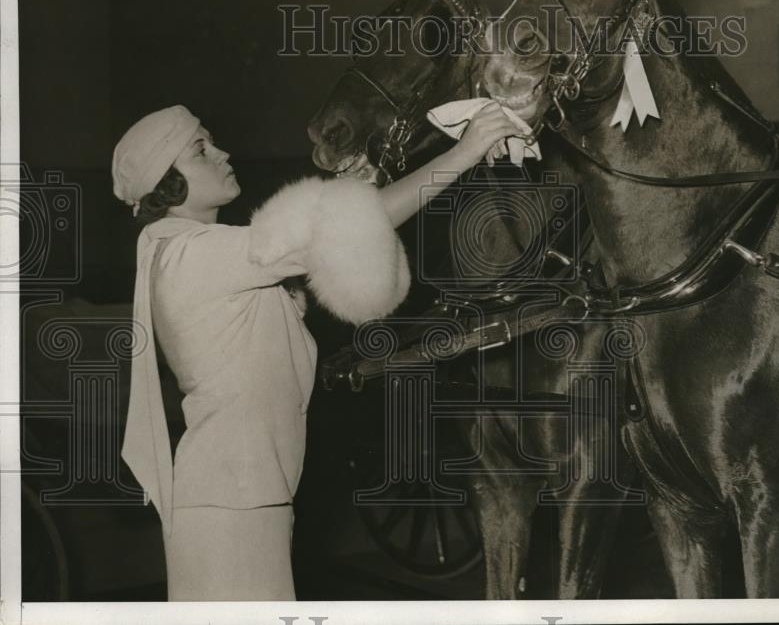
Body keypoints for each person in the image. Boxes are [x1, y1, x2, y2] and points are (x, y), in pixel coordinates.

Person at [111, 102, 524, 601]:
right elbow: (349, 231)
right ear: (167, 182)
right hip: (230, 496)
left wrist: (359, 188)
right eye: (201, 149)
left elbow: (341, 231)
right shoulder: (190, 254)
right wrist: (468, 150)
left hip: (242, 492)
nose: (222, 153)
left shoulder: (193, 249)